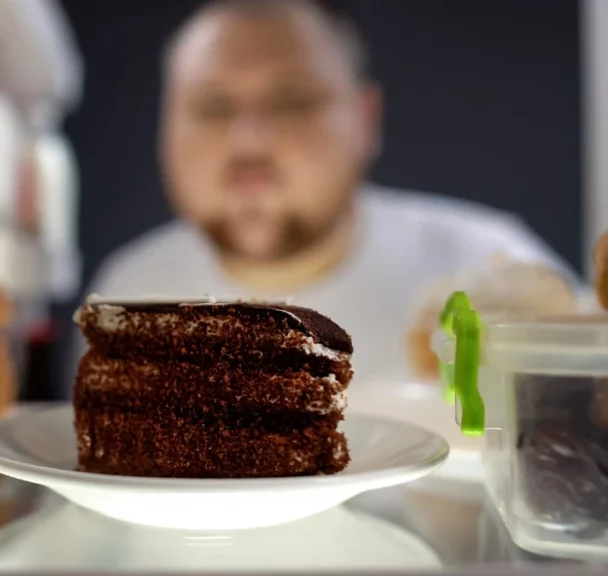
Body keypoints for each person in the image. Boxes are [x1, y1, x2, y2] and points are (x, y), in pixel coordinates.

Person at [68, 0, 577, 391]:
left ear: (366, 119)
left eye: (292, 102)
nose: (249, 141)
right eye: (212, 106)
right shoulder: (126, 295)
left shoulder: (496, 270)